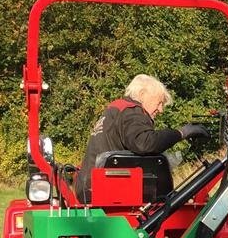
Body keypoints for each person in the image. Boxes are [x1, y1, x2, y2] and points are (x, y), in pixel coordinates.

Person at [75, 74, 208, 202]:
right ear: (142, 94)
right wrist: (181, 133)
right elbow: (145, 143)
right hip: (107, 191)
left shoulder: (116, 110)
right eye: (159, 102)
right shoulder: (132, 112)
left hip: (89, 187)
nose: (161, 110)